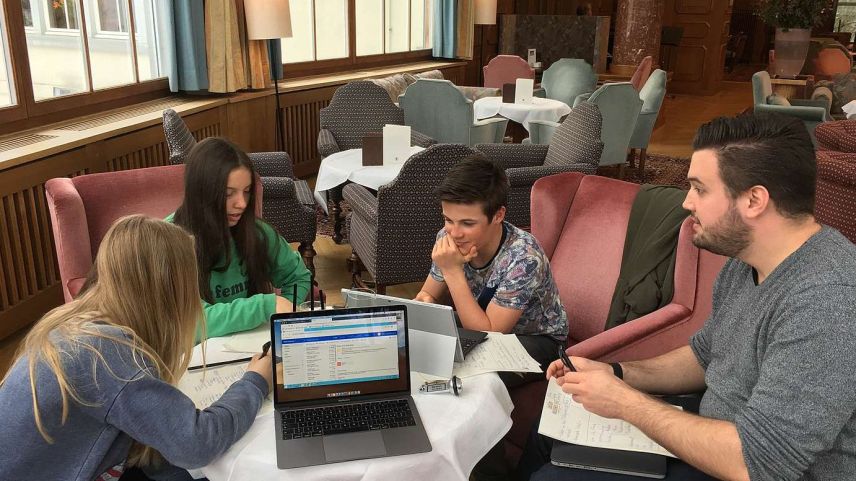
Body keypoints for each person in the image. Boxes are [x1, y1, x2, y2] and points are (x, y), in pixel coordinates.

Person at [518, 113, 856, 481]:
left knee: (554, 478)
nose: (687, 203)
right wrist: (618, 373)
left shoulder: (827, 300)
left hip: (749, 464)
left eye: (700, 189)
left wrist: (625, 402)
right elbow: (704, 356)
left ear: (754, 200)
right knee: (550, 427)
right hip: (717, 434)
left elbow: (757, 463)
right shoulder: (746, 262)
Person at [0, 215, 273, 481]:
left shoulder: (76, 323)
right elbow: (197, 445)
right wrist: (256, 381)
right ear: (167, 292)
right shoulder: (106, 353)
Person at [414, 154, 568, 387]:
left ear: (498, 215)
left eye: (467, 223)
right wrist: (425, 303)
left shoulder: (524, 257)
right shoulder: (448, 238)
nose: (454, 233)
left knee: (470, 376)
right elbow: (428, 296)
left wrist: (453, 271)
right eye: (448, 219)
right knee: (417, 345)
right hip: (481, 322)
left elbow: (492, 333)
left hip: (538, 339)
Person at [168, 137, 311, 339]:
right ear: (201, 193)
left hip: (250, 348)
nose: (242, 204)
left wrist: (282, 322)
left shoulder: (257, 232)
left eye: (247, 192)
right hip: (194, 360)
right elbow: (189, 322)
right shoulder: (167, 240)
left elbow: (298, 277)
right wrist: (265, 306)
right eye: (228, 194)